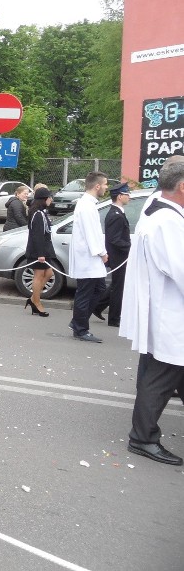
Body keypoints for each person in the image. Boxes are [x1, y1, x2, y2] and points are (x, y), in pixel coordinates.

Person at [119, 161, 184, 466]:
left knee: (165, 373)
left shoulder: (158, 210)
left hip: (165, 311)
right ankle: (142, 437)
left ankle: (143, 435)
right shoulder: (168, 222)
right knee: (159, 377)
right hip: (170, 314)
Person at [68, 171, 109, 343]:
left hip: (90, 257)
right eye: (105, 184)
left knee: (98, 289)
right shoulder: (86, 205)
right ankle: (80, 328)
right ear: (97, 186)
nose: (107, 187)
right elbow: (91, 232)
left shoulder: (89, 204)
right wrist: (102, 252)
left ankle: (78, 320)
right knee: (85, 293)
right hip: (88, 257)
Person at [93, 182, 131, 327]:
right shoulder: (115, 215)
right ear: (120, 197)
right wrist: (130, 247)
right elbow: (115, 239)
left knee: (118, 285)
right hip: (119, 256)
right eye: (127, 194)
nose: (129, 197)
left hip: (120, 256)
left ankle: (98, 306)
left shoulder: (117, 212)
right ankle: (114, 318)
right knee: (118, 287)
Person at [24, 188, 56, 317]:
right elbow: (37, 235)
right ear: (44, 199)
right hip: (38, 251)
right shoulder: (37, 214)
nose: (51, 200)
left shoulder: (41, 212)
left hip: (44, 249)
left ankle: (33, 298)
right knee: (39, 276)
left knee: (49, 273)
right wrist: (40, 254)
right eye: (49, 197)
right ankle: (36, 303)